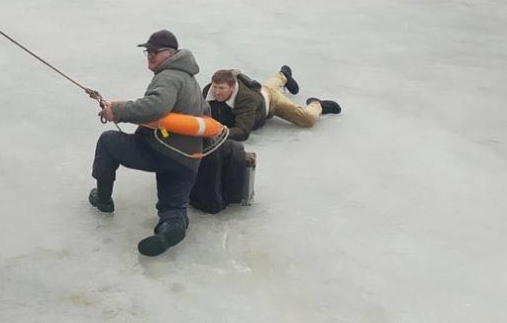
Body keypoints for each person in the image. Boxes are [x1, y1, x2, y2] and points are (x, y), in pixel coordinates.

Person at [90, 30, 208, 257]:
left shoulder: (168, 76)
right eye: (147, 51)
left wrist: (117, 111)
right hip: (187, 159)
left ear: (171, 53)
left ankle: (103, 199)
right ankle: (171, 230)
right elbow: (206, 112)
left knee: (108, 141)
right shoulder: (190, 80)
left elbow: (155, 106)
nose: (150, 56)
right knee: (173, 208)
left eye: (155, 52)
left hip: (158, 150)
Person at [203, 66, 341, 141]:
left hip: (271, 101)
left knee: (307, 119)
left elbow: (243, 132)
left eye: (221, 88)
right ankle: (283, 76)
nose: (217, 92)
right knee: (265, 88)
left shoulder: (246, 100)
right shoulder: (208, 91)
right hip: (260, 93)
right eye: (215, 87)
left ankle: (317, 104)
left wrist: (221, 133)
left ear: (232, 88)